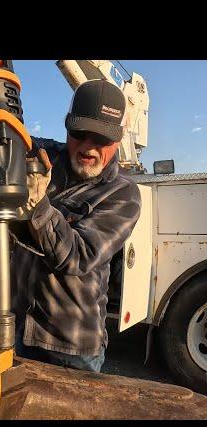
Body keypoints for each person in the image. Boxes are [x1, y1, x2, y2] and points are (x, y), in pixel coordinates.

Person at [10, 79, 142, 372]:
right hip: (20, 331)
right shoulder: (48, 156)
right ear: (67, 128)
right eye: (79, 134)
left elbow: (78, 257)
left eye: (101, 140)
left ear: (118, 139)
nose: (88, 147)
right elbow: (6, 137)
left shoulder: (123, 195)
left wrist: (38, 205)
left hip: (72, 350)